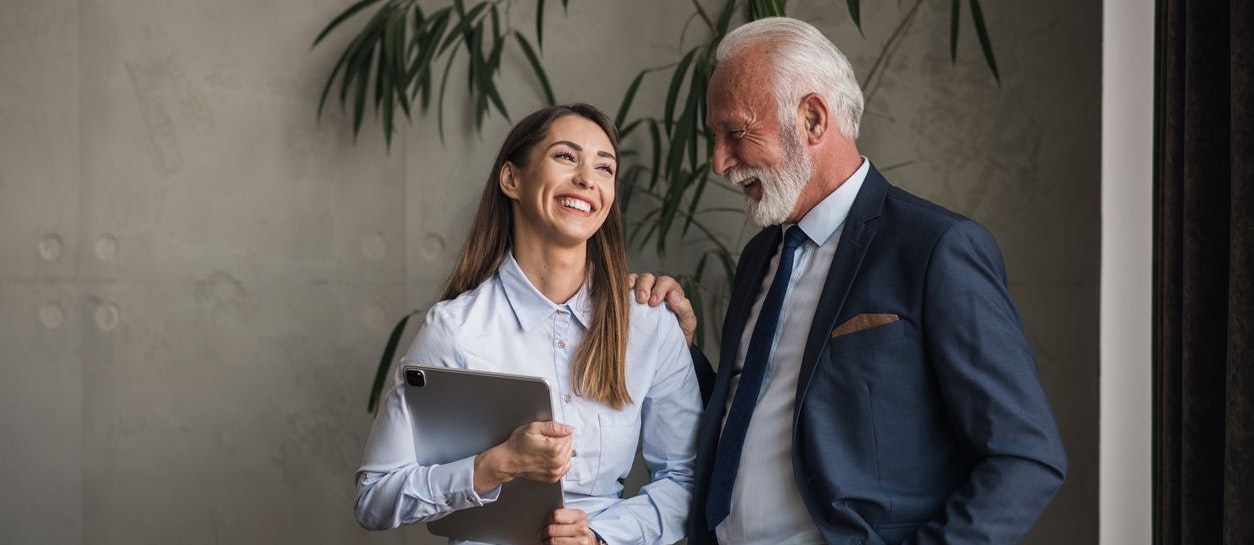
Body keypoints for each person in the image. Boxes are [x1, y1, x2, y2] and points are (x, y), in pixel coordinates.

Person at [632, 17, 1067, 545]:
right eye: (714, 137)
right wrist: (681, 350)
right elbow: (757, 415)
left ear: (813, 119)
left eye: (736, 133)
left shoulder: (934, 248)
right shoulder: (759, 257)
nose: (719, 162)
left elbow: (1025, 455)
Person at [356, 104, 702, 545]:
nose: (587, 178)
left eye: (605, 167)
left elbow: (688, 477)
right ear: (511, 179)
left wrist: (600, 537)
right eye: (565, 156)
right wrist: (492, 466)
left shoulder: (649, 323)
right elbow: (374, 497)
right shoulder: (456, 329)